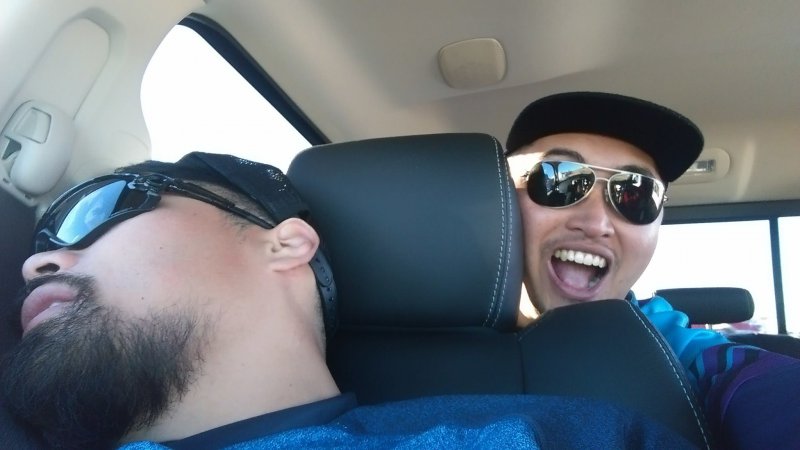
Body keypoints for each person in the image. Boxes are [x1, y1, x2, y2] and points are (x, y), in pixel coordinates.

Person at [0, 151, 699, 449]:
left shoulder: (544, 437)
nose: (38, 263)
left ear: (286, 243)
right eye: (557, 180)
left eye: (99, 209)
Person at [504, 91, 800, 449]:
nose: (596, 223)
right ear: (499, 196)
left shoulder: (667, 345)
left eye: (637, 194)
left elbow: (758, 381)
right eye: (559, 180)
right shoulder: (437, 331)